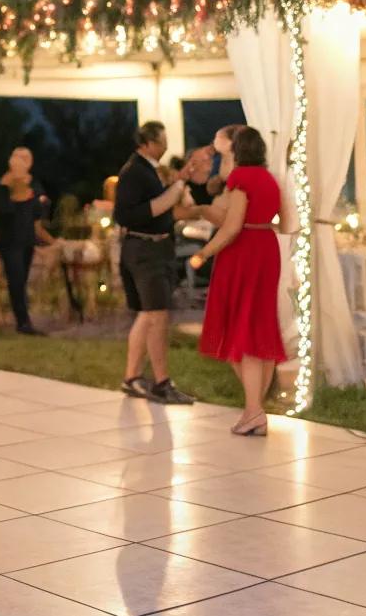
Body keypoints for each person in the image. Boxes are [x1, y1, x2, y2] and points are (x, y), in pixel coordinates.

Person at [190, 125, 297, 435]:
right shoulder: (269, 179)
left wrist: (204, 254)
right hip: (266, 250)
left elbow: (232, 226)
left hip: (243, 255)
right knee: (259, 327)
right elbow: (286, 222)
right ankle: (255, 411)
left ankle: (254, 411)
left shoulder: (241, 178)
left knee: (242, 330)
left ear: (237, 151)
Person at [114, 121, 194, 404]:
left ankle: (132, 377)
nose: (165, 146)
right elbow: (140, 211)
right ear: (147, 143)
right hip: (146, 251)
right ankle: (161, 382)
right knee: (157, 315)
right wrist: (178, 184)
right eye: (162, 141)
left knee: (148, 314)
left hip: (151, 249)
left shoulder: (146, 170)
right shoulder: (136, 171)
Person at [0, 147, 57, 336]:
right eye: (18, 157)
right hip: (9, 241)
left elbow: (40, 210)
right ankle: (23, 322)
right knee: (16, 280)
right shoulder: (1, 186)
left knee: (21, 280)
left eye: (25, 158)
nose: (21, 161)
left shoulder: (34, 185)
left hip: (27, 240)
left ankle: (21, 317)